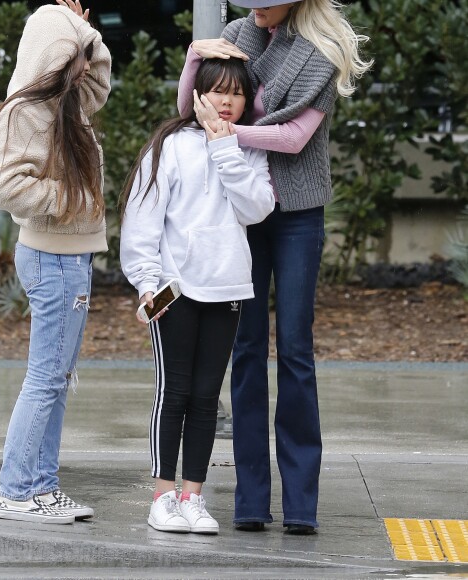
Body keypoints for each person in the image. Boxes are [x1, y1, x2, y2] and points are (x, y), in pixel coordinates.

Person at [177, 0, 372, 534]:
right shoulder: (239, 34)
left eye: (267, 2)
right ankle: (250, 501)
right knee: (243, 349)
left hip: (297, 213)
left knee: (294, 350)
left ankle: (302, 505)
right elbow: (193, 109)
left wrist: (226, 134)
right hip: (242, 206)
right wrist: (195, 57)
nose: (256, 9)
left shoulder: (322, 52)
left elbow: (292, 138)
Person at [120, 57, 275, 534]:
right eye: (217, 92)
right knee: (175, 392)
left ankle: (193, 496)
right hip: (175, 291)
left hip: (227, 288)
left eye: (237, 94)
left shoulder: (249, 148)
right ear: (197, 96)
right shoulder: (169, 145)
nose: (227, 102)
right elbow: (142, 220)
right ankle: (162, 496)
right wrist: (147, 283)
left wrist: (225, 148)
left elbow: (257, 208)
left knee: (207, 398)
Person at [0, 2, 111, 524]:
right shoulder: (26, 110)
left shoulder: (66, 101)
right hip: (53, 258)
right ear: (50, 57)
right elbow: (7, 187)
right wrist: (76, 200)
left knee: (56, 378)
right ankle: (17, 490)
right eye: (73, 55)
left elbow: (101, 80)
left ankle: (41, 487)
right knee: (45, 379)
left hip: (69, 258)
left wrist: (86, 31)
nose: (84, 65)